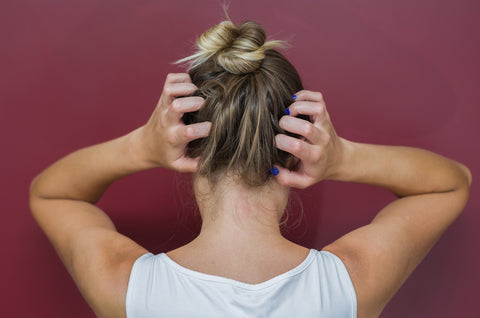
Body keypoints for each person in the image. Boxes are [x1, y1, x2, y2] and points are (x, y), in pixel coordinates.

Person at [29, 18, 472, 318]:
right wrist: (343, 158)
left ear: (192, 146)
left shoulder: (128, 288)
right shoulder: (346, 284)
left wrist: (141, 147)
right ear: (295, 149)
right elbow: (449, 185)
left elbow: (50, 193)